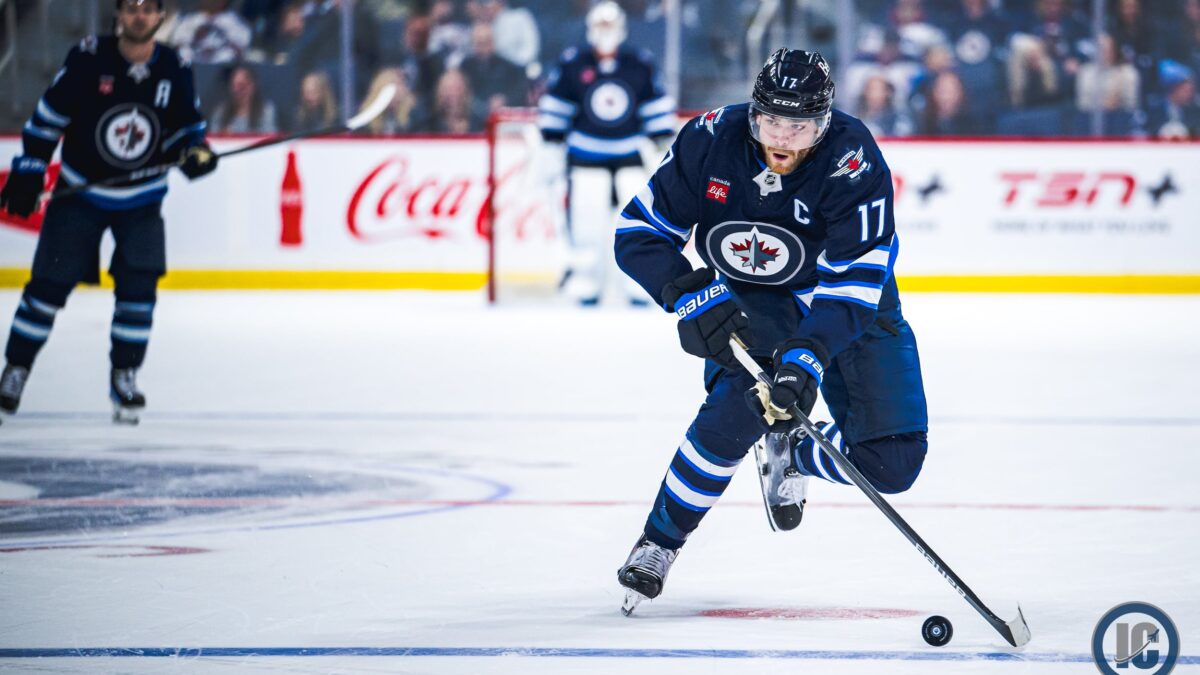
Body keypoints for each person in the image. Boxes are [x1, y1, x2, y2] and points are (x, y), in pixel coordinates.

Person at [612, 48, 929, 613]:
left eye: (800, 125)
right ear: (753, 112)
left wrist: (807, 356)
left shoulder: (852, 159)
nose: (783, 137)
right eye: (771, 120)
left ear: (824, 122)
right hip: (755, 298)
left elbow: (853, 284)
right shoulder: (710, 139)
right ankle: (658, 542)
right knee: (732, 416)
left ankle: (797, 449)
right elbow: (639, 232)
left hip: (850, 305)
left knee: (893, 463)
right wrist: (688, 294)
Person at [0, 0, 218, 424]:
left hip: (142, 200)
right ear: (118, 15)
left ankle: (124, 375)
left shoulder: (175, 66)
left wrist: (194, 153)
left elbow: (186, 129)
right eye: (131, 7)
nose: (139, 15)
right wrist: (30, 168)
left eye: (148, 8)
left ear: (160, 17)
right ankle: (16, 369)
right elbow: (47, 119)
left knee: (139, 292)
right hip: (80, 194)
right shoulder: (88, 57)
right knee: (46, 288)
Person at [537, 0, 676, 305]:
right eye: (601, 25)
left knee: (636, 221)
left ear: (622, 28)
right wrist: (551, 143)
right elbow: (556, 107)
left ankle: (637, 282)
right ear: (590, 28)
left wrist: (662, 144)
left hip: (630, 155)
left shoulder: (639, 63)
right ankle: (585, 279)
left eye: (610, 26)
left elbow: (655, 107)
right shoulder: (573, 62)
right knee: (585, 221)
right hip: (585, 156)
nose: (606, 31)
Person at [211, 63, 279, 133]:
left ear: (253, 86)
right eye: (234, 85)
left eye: (242, 85)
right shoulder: (221, 112)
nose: (238, 90)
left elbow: (271, 136)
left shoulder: (266, 111)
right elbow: (213, 135)